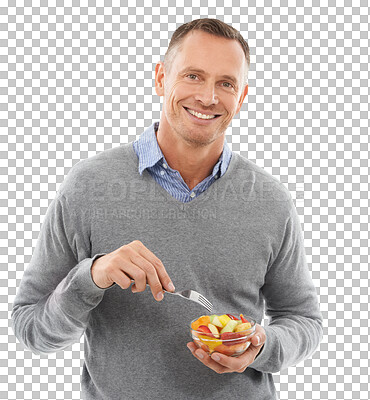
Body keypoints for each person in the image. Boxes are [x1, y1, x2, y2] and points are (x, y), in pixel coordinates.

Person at [11, 18, 323, 400]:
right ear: (161, 78)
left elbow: (303, 320)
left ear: (241, 98)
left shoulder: (270, 200)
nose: (208, 96)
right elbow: (31, 329)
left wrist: (262, 345)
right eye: (193, 76)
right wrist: (92, 276)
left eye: (226, 83)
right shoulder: (89, 186)